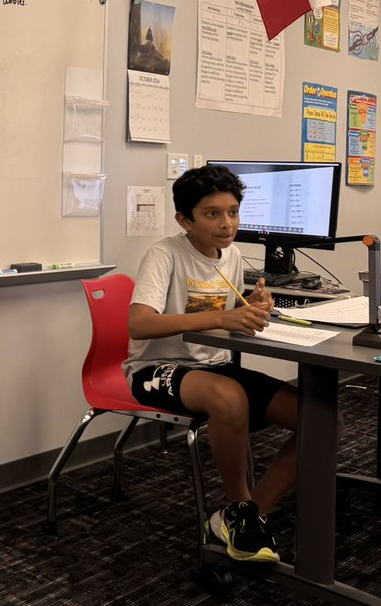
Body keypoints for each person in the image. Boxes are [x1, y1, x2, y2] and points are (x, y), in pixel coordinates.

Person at [123, 164, 297, 563]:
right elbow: (140, 322)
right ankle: (238, 506)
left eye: (233, 211)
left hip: (213, 369)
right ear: (185, 219)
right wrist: (222, 317)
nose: (226, 224)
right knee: (229, 396)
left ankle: (247, 516)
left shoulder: (231, 255)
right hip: (155, 370)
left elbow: (226, 309)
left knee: (323, 419)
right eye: (212, 214)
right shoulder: (164, 254)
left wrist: (249, 308)